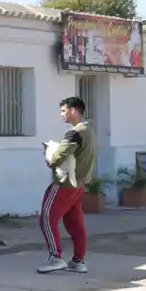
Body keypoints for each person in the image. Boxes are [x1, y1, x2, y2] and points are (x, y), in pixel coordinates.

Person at [38, 95, 95, 274]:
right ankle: (78, 260)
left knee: (47, 218)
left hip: (64, 183)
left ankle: (56, 258)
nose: (62, 115)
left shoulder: (74, 133)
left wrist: (49, 154)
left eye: (64, 111)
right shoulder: (89, 131)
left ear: (74, 111)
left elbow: (57, 158)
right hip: (79, 184)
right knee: (75, 224)